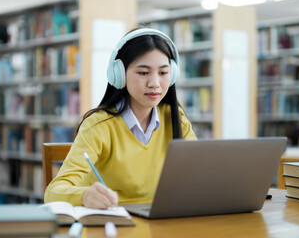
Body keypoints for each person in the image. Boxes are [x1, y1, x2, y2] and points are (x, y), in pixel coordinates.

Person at [44, 28, 197, 209]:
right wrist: (84, 195)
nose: (155, 83)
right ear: (119, 75)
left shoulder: (175, 118)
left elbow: (199, 174)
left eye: (163, 73)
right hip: (113, 223)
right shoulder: (98, 125)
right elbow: (53, 192)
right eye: (143, 73)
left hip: (159, 222)